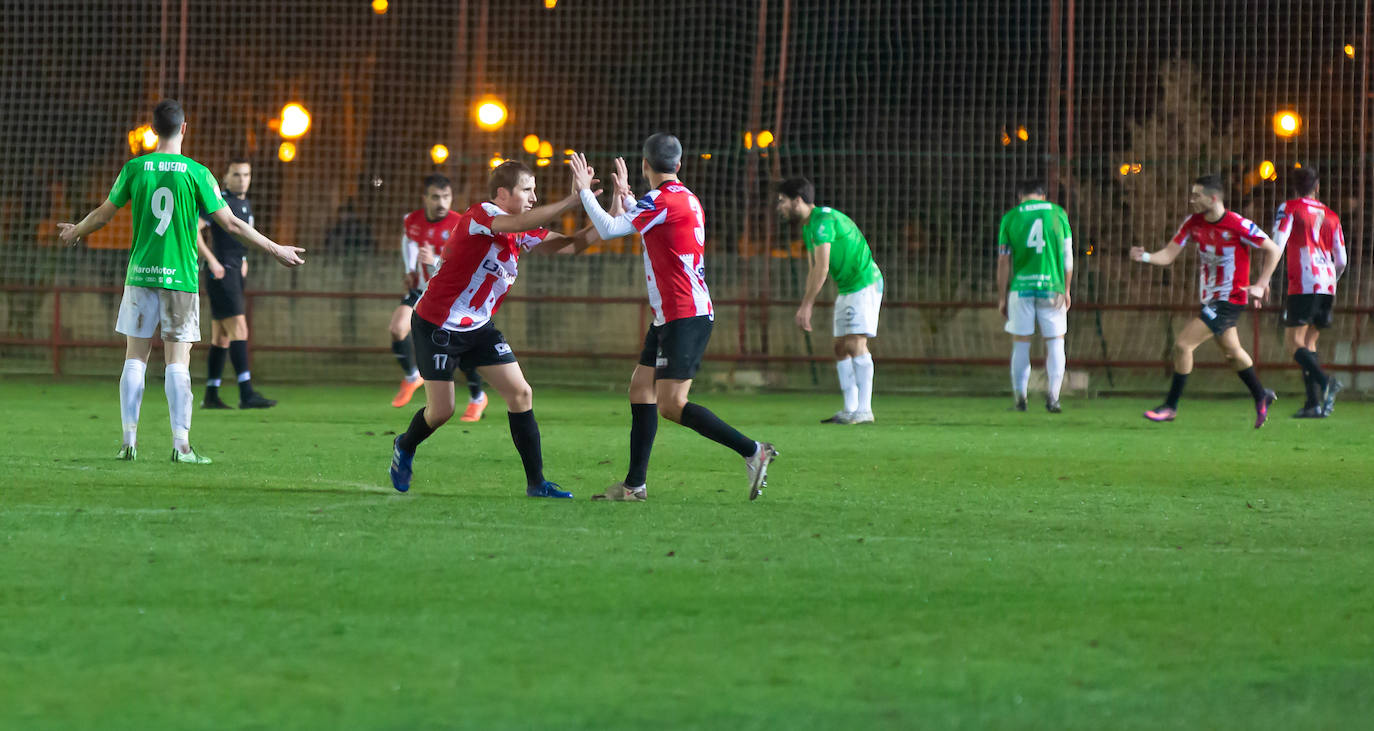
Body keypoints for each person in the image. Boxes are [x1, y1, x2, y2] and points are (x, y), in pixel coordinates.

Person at [57, 99, 304, 462]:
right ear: (184, 129)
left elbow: (104, 214)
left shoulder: (135, 168)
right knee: (177, 361)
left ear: (154, 129)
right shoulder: (197, 173)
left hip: (141, 275)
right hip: (180, 280)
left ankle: (129, 442)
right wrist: (275, 248)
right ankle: (181, 446)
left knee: (134, 359)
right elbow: (232, 224)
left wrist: (75, 231)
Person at [570, 135, 778, 502]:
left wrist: (586, 191)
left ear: (645, 165)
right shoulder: (685, 198)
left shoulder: (661, 201)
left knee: (670, 405)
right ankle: (634, 487)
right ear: (679, 165)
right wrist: (628, 199)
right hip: (672, 314)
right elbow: (654, 223)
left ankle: (752, 450)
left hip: (685, 314)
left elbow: (609, 230)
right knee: (640, 388)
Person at [388, 161, 596, 496]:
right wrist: (572, 200)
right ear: (503, 193)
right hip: (437, 323)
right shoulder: (481, 214)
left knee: (521, 393)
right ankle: (405, 446)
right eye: (526, 189)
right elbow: (522, 220)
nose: (533, 196)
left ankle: (536, 484)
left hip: (478, 327)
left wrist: (612, 216)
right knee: (441, 411)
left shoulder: (517, 228)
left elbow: (572, 244)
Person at [1130, 174, 1282, 427]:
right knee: (1233, 353)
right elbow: (1168, 255)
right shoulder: (1193, 223)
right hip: (1210, 299)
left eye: (1197, 196)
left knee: (1182, 345)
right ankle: (1261, 394)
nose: (1192, 200)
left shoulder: (1237, 224)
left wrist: (1262, 284)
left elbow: (1274, 249)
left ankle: (1170, 406)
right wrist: (1144, 257)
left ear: (1213, 198)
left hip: (1229, 299)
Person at [776, 177, 883, 424]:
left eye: (782, 201)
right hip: (848, 288)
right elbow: (814, 268)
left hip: (864, 282)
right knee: (839, 347)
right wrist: (806, 303)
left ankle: (865, 411)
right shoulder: (808, 226)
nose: (779, 207)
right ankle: (849, 409)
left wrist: (807, 305)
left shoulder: (824, 220)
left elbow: (822, 267)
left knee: (856, 344)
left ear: (798, 201)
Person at [387, 174, 487, 419]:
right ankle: (412, 377)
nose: (441, 202)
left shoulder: (460, 223)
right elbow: (408, 241)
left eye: (446, 197)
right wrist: (410, 269)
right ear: (425, 198)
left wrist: (434, 262)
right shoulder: (412, 220)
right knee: (397, 328)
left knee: (460, 351)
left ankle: (477, 398)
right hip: (421, 290)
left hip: (449, 295)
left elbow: (465, 263)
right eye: (435, 197)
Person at [196, 158, 276, 409]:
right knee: (239, 330)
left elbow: (238, 238)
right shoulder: (219, 200)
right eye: (237, 175)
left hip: (233, 271)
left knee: (221, 337)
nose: (242, 179)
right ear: (226, 176)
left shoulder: (244, 202)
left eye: (246, 174)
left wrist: (243, 259)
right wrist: (212, 261)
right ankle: (246, 393)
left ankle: (211, 395)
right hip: (221, 273)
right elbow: (192, 229)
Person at [1274, 168, 1347, 417]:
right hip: (1327, 283)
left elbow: (1278, 243)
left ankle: (1326, 383)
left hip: (1305, 281)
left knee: (1292, 343)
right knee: (1309, 343)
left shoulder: (1290, 207)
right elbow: (1342, 260)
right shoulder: (1332, 215)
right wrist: (1330, 280)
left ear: (1294, 186)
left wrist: (1263, 279)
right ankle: (1313, 404)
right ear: (1317, 186)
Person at [995, 180, 1073, 413]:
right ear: (1042, 195)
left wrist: (1002, 296)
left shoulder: (1011, 217)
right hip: (1053, 287)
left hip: (1022, 288)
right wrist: (1066, 289)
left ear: (1020, 197)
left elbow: (1003, 260)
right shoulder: (1058, 214)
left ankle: (1020, 399)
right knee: (1056, 342)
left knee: (1021, 343)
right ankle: (1054, 398)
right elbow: (1068, 256)